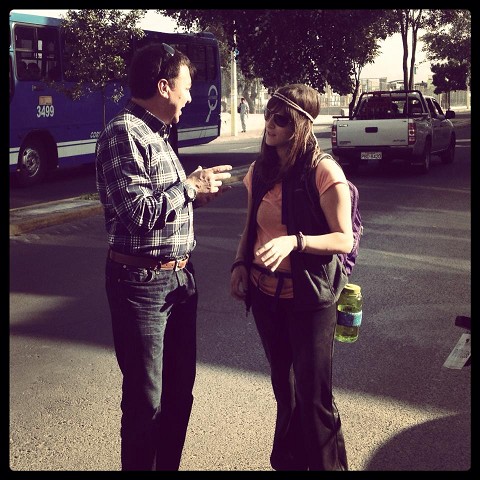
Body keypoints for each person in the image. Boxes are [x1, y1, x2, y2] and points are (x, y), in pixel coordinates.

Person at [95, 42, 232, 471]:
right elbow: (137, 213)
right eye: (185, 87)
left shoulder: (158, 133)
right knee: (146, 401)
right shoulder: (124, 133)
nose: (190, 97)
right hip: (141, 285)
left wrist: (194, 197)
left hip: (178, 280)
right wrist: (188, 187)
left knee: (178, 394)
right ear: (163, 87)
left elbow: (161, 206)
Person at [230, 84, 353, 471]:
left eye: (281, 118)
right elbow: (250, 226)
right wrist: (239, 264)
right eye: (269, 113)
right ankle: (291, 463)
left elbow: (344, 239)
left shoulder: (323, 171)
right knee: (286, 393)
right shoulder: (260, 172)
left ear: (301, 125)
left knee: (314, 399)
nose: (270, 123)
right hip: (266, 299)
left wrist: (295, 242)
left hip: (310, 301)